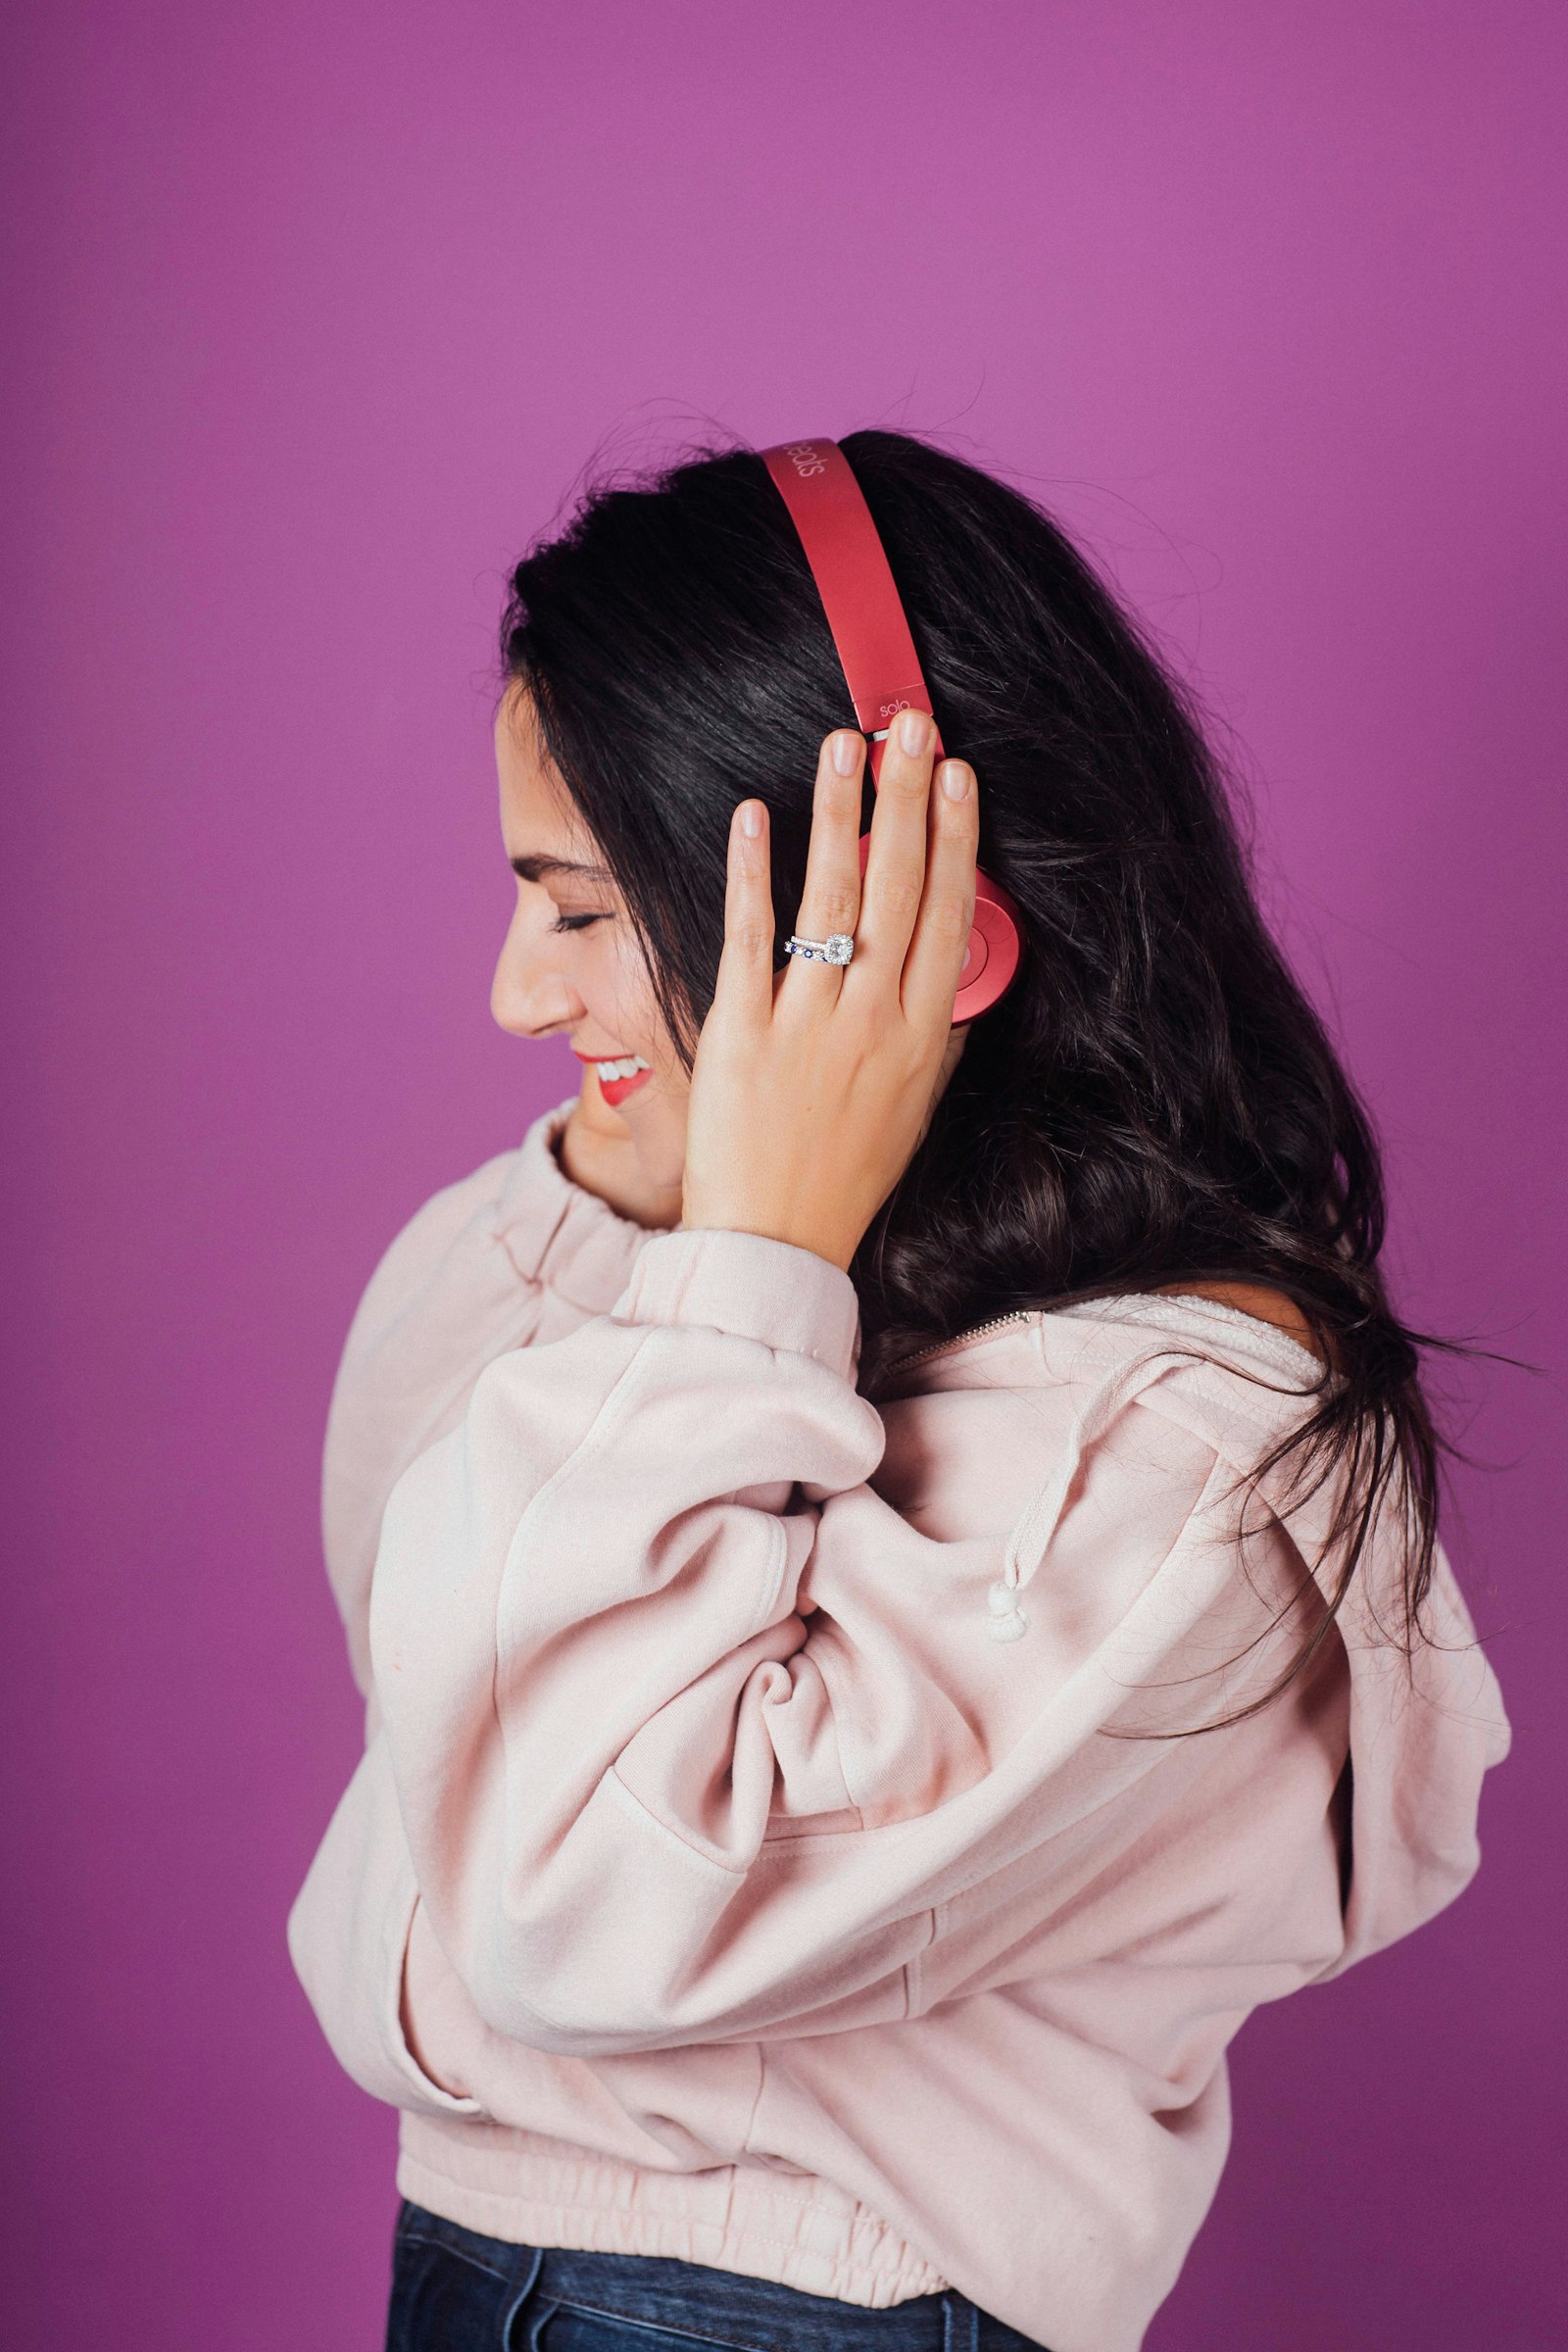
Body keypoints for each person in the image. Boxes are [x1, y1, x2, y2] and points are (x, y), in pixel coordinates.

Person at [288, 430, 1509, 2352]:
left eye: (587, 911)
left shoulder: (1163, 1449)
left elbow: (588, 1903)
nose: (519, 998)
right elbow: (422, 1615)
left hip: (778, 2309)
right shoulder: (717, 1255)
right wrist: (681, 1209)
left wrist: (748, 1262)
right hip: (479, 2253)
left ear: (913, 925)